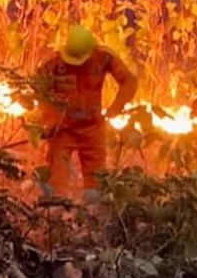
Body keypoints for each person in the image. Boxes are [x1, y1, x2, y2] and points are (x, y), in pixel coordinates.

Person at [36, 24, 139, 199]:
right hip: (62, 129)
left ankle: (91, 219)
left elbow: (129, 81)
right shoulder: (51, 64)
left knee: (96, 184)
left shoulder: (104, 57)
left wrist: (116, 106)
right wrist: (49, 119)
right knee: (57, 182)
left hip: (92, 128)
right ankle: (55, 216)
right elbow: (39, 92)